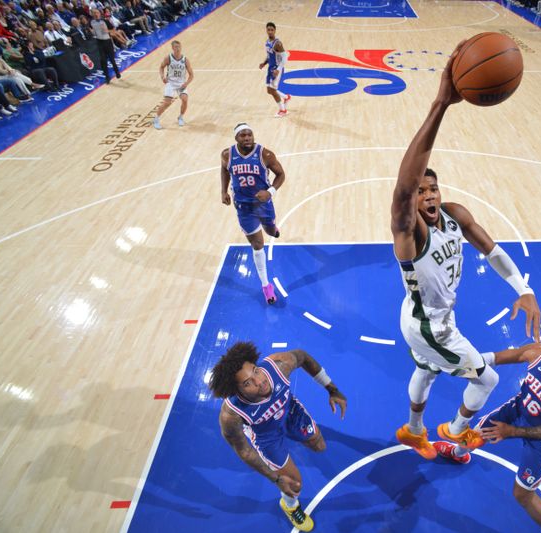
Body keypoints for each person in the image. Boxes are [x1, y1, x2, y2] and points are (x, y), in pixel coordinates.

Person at [391, 43, 541, 460]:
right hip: (429, 326)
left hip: (426, 316)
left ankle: (414, 430)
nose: (427, 194)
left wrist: (521, 287)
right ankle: (456, 430)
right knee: (486, 379)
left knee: (426, 368)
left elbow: (492, 250)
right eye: (420, 191)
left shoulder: (455, 214)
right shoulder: (411, 233)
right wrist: (441, 103)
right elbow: (403, 188)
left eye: (432, 187)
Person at [435, 331, 541, 533]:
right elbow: (496, 358)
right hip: (517, 412)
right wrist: (465, 363)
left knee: (522, 495)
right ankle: (457, 454)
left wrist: (513, 431)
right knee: (476, 435)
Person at [209, 342, 347, 532]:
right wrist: (275, 479)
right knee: (295, 484)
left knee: (319, 445)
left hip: (290, 412)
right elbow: (243, 450)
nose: (259, 382)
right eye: (247, 383)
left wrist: (332, 389)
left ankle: (295, 436)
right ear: (237, 391)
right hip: (267, 437)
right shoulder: (231, 415)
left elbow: (303, 356)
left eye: (256, 371)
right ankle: (290, 506)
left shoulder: (279, 366)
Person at [220, 123, 286, 304]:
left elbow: (281, 174)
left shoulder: (265, 154)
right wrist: (223, 191)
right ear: (236, 138)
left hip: (263, 204)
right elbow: (224, 170)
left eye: (249, 134)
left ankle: (272, 227)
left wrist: (270, 192)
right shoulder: (227, 154)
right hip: (243, 207)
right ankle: (266, 286)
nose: (247, 137)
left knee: (271, 231)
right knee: (258, 244)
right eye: (243, 135)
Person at [153, 40, 192, 129]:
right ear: (172, 48)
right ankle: (156, 119)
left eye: (179, 47)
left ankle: (180, 117)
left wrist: (186, 83)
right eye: (176, 47)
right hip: (170, 82)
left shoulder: (185, 60)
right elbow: (161, 67)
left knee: (185, 99)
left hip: (181, 83)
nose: (178, 49)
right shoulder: (168, 58)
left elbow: (191, 75)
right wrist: (162, 77)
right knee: (167, 102)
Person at [259, 22, 290, 117]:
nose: (270, 31)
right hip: (270, 67)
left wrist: (278, 69)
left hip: (276, 69)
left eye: (272, 30)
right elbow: (269, 56)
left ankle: (283, 110)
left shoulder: (278, 44)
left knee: (272, 90)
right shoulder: (267, 42)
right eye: (268, 29)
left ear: (275, 30)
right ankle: (286, 97)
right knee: (269, 90)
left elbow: (285, 57)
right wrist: (264, 63)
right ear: (266, 30)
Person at [90, 8, 121, 83]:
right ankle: (107, 77)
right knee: (103, 60)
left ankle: (117, 72)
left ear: (99, 13)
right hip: (99, 42)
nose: (96, 14)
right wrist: (92, 32)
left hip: (107, 41)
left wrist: (107, 31)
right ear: (92, 14)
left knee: (112, 59)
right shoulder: (91, 22)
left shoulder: (105, 21)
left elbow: (114, 29)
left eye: (97, 13)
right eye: (94, 13)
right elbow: (92, 30)